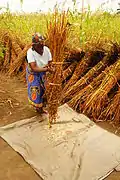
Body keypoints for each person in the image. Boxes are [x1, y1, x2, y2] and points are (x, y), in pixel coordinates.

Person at [26, 32, 52, 113]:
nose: (41, 47)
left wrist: (50, 68)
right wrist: (47, 69)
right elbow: (34, 68)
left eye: (42, 45)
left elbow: (50, 62)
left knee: (44, 88)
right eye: (39, 45)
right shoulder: (30, 52)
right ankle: (38, 108)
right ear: (33, 45)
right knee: (36, 89)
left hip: (43, 71)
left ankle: (42, 104)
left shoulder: (46, 50)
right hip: (34, 73)